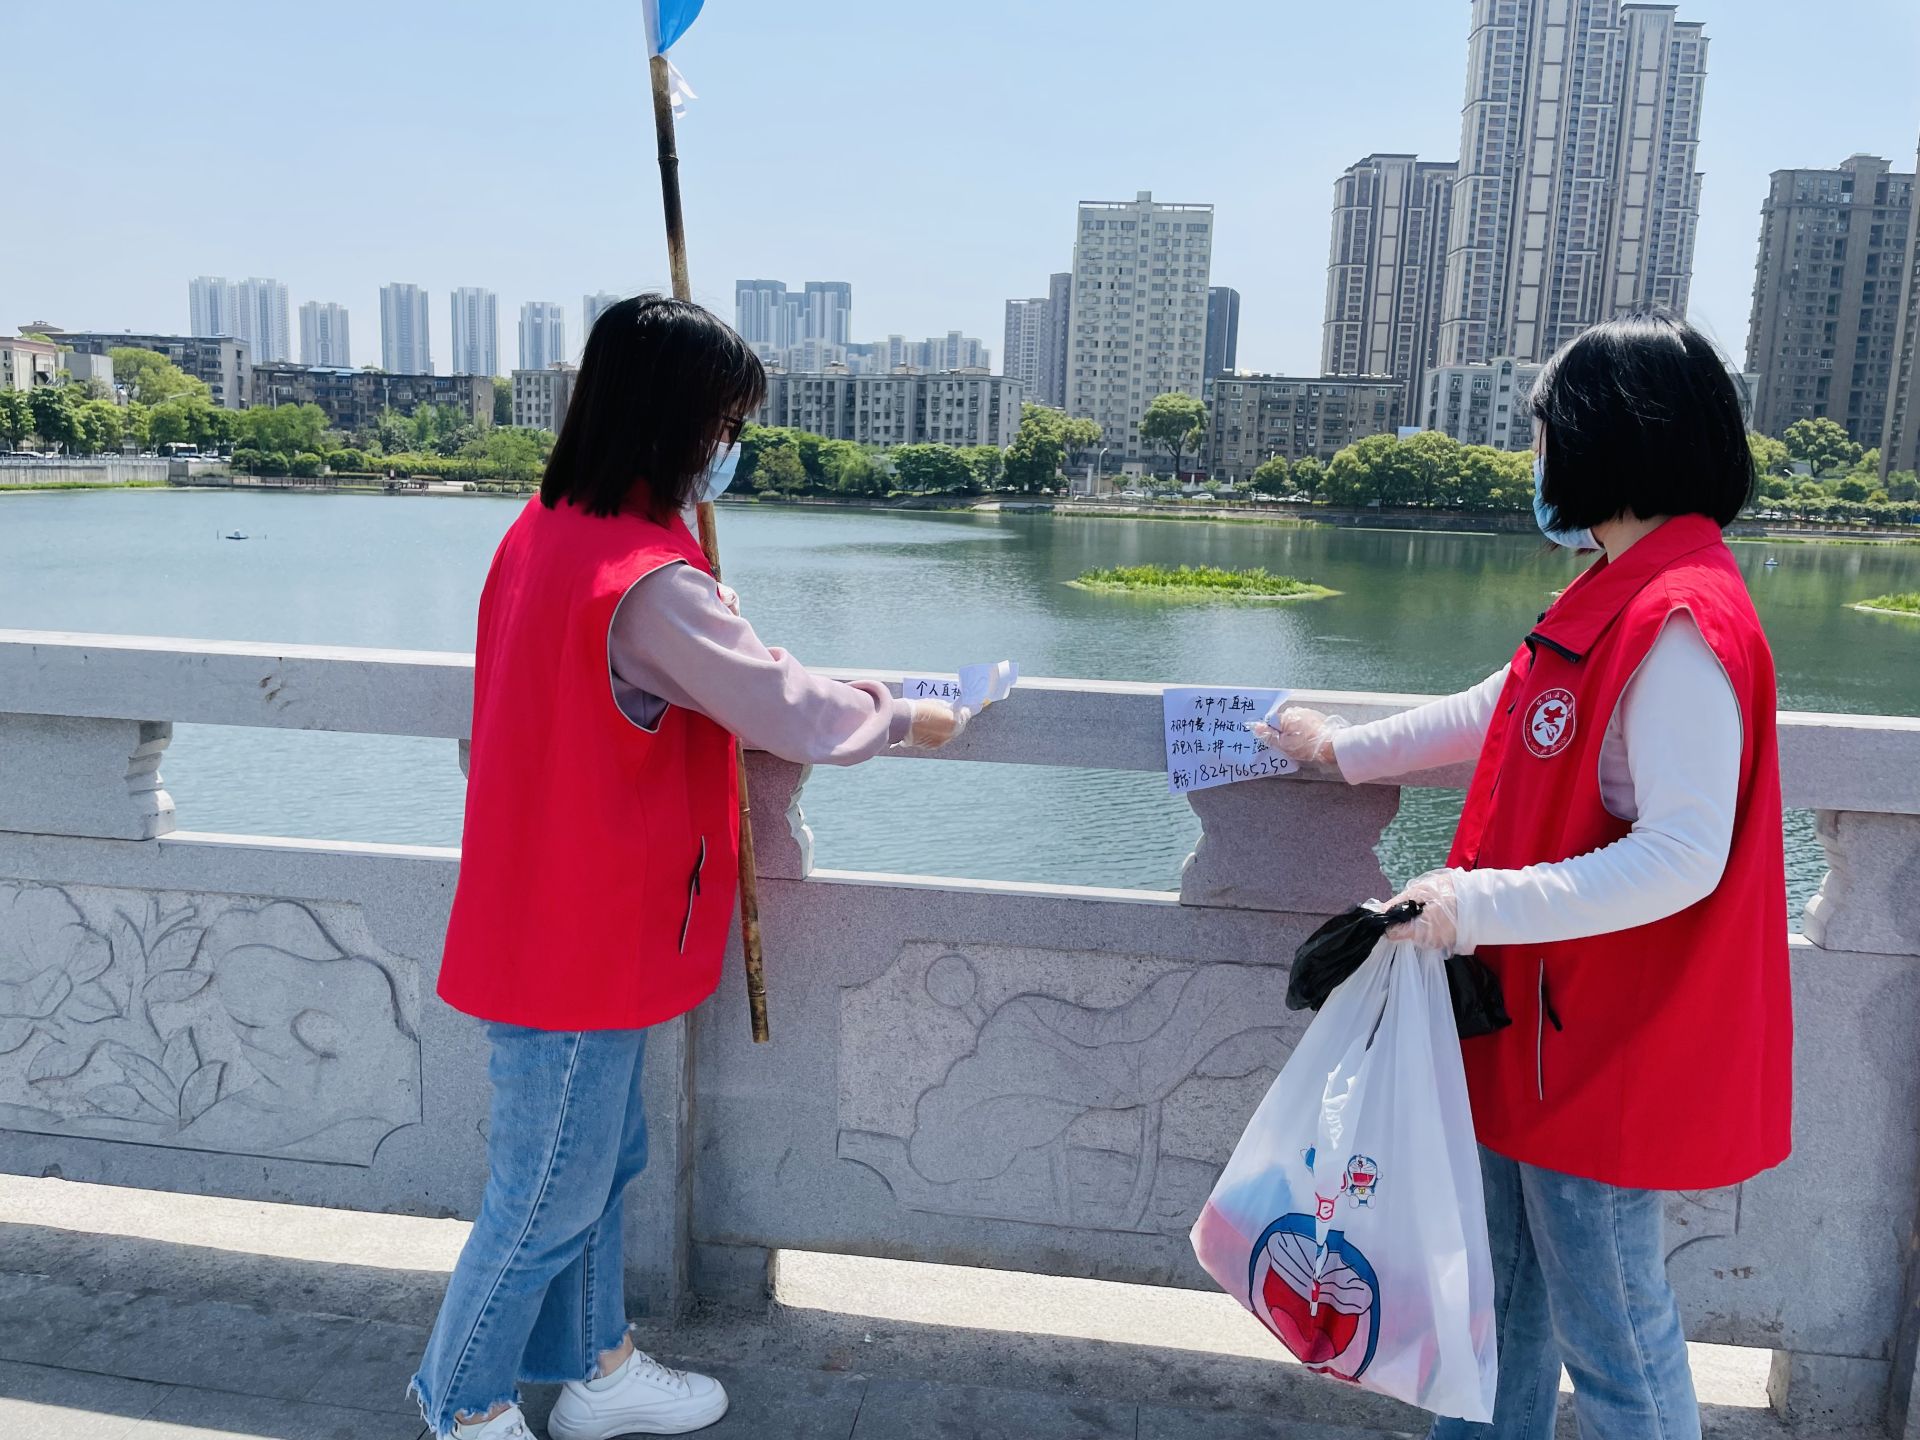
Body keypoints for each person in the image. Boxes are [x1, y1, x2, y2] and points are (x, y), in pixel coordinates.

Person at [409, 294, 968, 1440]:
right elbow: (785, 708)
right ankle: (459, 1405)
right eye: (724, 419)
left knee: (598, 1165)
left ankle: (598, 1367)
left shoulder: (547, 533)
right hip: (580, 930)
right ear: (678, 423)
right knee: (544, 1193)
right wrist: (901, 715)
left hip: (553, 907)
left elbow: (725, 672)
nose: (731, 443)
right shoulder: (647, 579)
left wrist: (743, 628)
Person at [1255, 311, 1791, 1440]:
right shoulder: (1616, 586)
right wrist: (1339, 747)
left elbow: (1686, 854)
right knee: (1495, 1304)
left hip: (1600, 1045)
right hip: (1530, 1027)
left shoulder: (1682, 616)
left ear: (1606, 437)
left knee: (1616, 1334)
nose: (1534, 461)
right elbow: (1498, 708)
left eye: (1543, 435)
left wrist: (1472, 900)